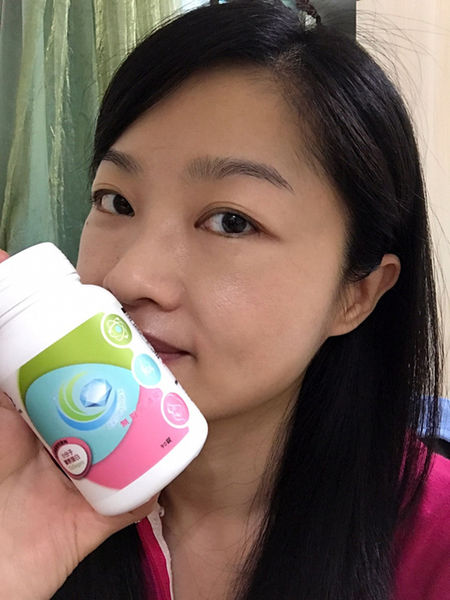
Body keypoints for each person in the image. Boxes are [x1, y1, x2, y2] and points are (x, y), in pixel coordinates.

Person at [1, 1, 449, 599]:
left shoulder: (433, 540)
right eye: (116, 201)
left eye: (231, 221)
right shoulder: (18, 484)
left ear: (356, 294)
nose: (129, 276)